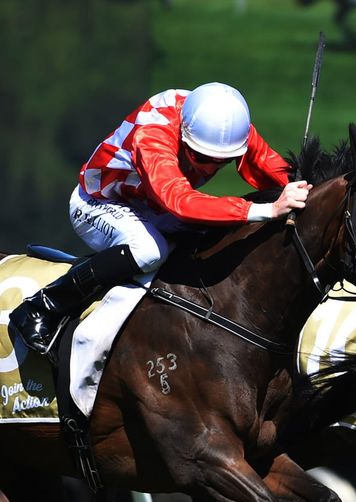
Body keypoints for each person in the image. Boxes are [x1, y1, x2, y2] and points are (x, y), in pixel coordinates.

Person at [10, 82, 311, 355]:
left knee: (214, 238)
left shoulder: (225, 125)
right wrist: (267, 210)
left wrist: (307, 185)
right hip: (98, 202)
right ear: (183, 134)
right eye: (203, 158)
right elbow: (179, 200)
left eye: (224, 161)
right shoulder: (153, 134)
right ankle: (43, 306)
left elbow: (268, 167)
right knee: (149, 250)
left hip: (151, 206)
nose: (211, 168)